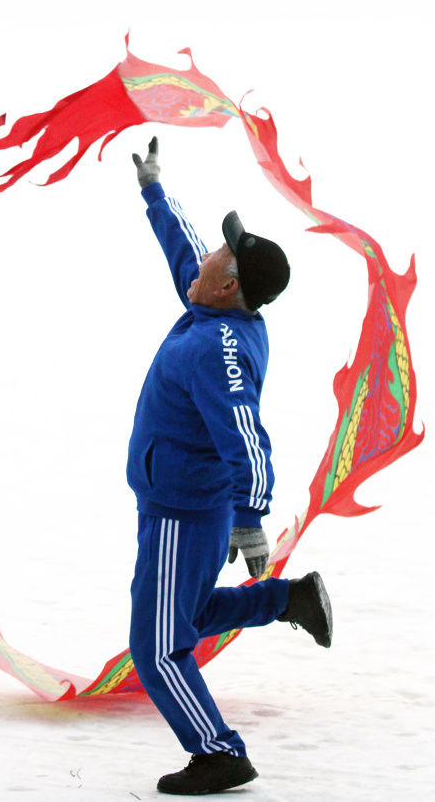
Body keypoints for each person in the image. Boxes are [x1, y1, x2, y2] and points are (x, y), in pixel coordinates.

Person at [126, 137, 332, 797]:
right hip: (179, 503)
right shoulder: (211, 303)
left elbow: (247, 437)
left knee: (158, 647)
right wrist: (155, 190)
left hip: (188, 512)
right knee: (180, 614)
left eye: (221, 253)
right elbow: (185, 249)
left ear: (231, 283)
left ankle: (219, 753)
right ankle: (289, 599)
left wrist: (251, 521)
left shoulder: (219, 347)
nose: (207, 254)